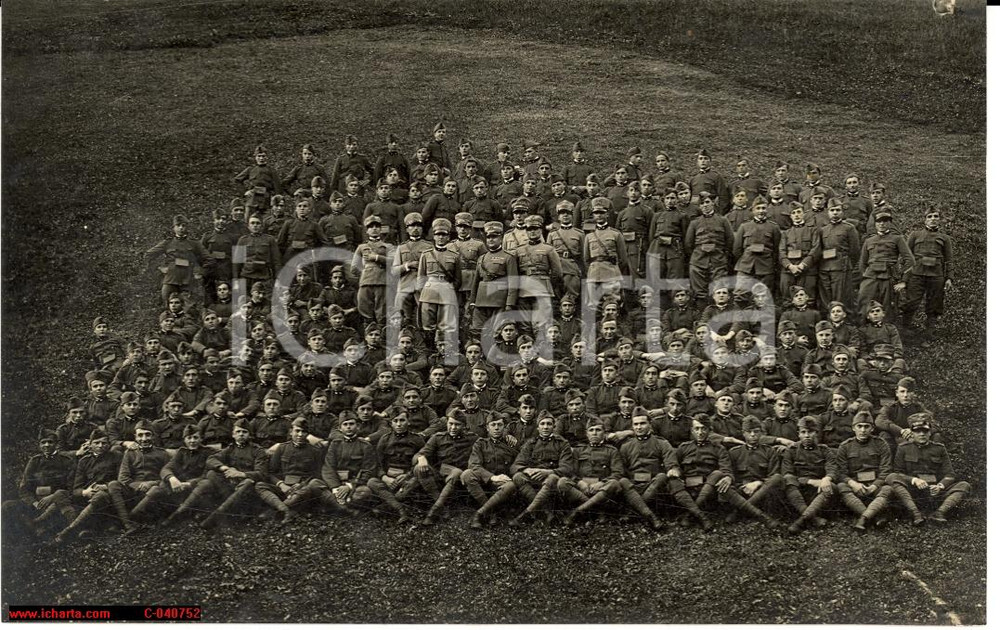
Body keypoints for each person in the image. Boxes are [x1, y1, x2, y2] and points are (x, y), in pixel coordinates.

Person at [889, 412, 970, 525]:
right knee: (892, 477)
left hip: (934, 492)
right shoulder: (903, 448)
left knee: (964, 485)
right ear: (911, 432)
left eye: (925, 431)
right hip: (913, 492)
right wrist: (914, 480)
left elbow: (950, 474)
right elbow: (898, 473)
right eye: (917, 431)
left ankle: (939, 513)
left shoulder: (939, 448)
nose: (922, 434)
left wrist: (940, 486)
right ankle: (916, 513)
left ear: (930, 432)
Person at [255, 418, 340, 523]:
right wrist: (281, 485)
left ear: (307, 434)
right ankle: (286, 509)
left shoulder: (315, 451)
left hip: (303, 489)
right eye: (297, 431)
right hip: (284, 488)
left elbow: (317, 474)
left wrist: (301, 484)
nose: (300, 434)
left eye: (304, 432)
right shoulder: (282, 448)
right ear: (291, 432)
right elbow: (271, 472)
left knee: (311, 487)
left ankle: (276, 510)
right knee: (260, 485)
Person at [3, 429, 76, 539]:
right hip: (36, 503)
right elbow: (24, 488)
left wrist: (53, 497)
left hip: (57, 503)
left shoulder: (66, 461)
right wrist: (34, 502)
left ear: (56, 444)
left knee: (57, 513)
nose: (46, 445)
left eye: (50, 442)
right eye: (43, 442)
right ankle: (21, 537)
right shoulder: (34, 461)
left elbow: (71, 487)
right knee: (7, 505)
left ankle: (40, 530)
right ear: (39, 445)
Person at [414, 411, 477, 525]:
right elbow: (419, 454)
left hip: (460, 479)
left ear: (464, 426)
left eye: (457, 424)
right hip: (440, 477)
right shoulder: (437, 437)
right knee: (419, 468)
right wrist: (421, 458)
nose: (453, 427)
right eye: (450, 423)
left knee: (457, 472)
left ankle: (433, 512)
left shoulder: (472, 438)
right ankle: (442, 507)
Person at [106, 421, 170, 535]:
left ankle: (128, 518)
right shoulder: (130, 453)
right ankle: (128, 525)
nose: (144, 439)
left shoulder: (162, 454)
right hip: (134, 492)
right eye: (140, 435)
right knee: (113, 484)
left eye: (147, 434)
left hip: (152, 493)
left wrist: (151, 483)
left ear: (153, 436)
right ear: (135, 437)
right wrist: (137, 486)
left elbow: (167, 476)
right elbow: (123, 478)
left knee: (157, 490)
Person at [834, 411, 894, 531]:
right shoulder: (845, 446)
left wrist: (875, 486)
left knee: (887, 489)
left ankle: (863, 518)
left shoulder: (881, 444)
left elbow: (886, 469)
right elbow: (841, 472)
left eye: (866, 426)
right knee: (841, 486)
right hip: (856, 486)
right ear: (853, 428)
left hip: (875, 486)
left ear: (872, 428)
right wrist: (853, 484)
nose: (863, 430)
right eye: (859, 426)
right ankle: (874, 516)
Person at [557, 420, 623, 526]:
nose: (594, 433)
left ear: (604, 433)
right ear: (587, 434)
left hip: (601, 489)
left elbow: (618, 472)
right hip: (582, 488)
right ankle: (598, 511)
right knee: (562, 482)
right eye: (591, 430)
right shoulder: (578, 450)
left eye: (598, 430)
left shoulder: (612, 451)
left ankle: (577, 512)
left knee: (614, 483)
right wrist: (579, 482)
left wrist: (601, 483)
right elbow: (571, 471)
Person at [901, 207, 953, 332]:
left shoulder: (945, 238)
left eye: (936, 216)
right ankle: (904, 330)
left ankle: (930, 332)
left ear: (940, 219)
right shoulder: (915, 235)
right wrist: (904, 278)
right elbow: (907, 257)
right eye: (929, 216)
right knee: (911, 302)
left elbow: (949, 260)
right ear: (924, 220)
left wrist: (949, 278)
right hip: (917, 274)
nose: (933, 219)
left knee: (934, 304)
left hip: (936, 276)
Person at [367, 413, 426, 524]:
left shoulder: (417, 439)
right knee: (371, 482)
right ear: (391, 423)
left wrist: (408, 475)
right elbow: (377, 462)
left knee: (416, 481)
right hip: (389, 480)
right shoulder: (384, 439)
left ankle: (387, 506)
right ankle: (401, 509)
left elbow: (423, 461)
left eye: (402, 420)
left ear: (408, 422)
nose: (399, 424)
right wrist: (384, 477)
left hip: (407, 479)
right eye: (395, 421)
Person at [782, 416, 836, 534]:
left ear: (816, 433)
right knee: (787, 479)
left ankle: (801, 520)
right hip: (797, 491)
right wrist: (809, 481)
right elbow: (787, 473)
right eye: (803, 432)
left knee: (831, 486)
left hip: (817, 491)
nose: (807, 435)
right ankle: (813, 518)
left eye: (810, 432)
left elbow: (831, 467)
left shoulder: (824, 450)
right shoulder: (791, 450)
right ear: (798, 434)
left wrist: (827, 478)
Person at [464, 415, 520, 528]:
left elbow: (518, 463)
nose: (496, 428)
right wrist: (492, 477)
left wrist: (508, 476)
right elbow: (474, 464)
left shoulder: (511, 444)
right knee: (467, 474)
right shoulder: (480, 444)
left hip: (503, 483)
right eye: (493, 425)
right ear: (487, 428)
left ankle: (479, 513)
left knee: (510, 486)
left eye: (499, 425)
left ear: (504, 427)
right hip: (485, 482)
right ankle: (493, 512)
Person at [857, 211, 914, 321]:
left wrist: (903, 281)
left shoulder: (897, 239)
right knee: (863, 304)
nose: (881, 224)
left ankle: (888, 334)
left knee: (888, 309)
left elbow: (910, 261)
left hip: (888, 277)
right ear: (875, 224)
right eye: (879, 221)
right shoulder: (869, 241)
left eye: (885, 221)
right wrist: (866, 276)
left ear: (890, 223)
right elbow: (862, 263)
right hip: (870, 277)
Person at [726, 417, 784, 523]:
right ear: (743, 433)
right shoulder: (734, 452)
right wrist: (742, 486)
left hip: (762, 489)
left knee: (777, 478)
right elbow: (731, 474)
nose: (753, 435)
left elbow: (773, 474)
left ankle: (739, 512)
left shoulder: (769, 451)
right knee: (724, 485)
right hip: (741, 490)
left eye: (756, 431)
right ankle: (760, 515)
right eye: (749, 432)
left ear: (761, 433)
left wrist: (758, 482)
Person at [146, 214, 212, 305]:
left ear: (187, 228)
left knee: (189, 308)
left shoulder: (194, 244)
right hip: (170, 280)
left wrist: (201, 272)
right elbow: (148, 255)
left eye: (184, 225)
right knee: (167, 306)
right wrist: (159, 268)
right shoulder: (167, 243)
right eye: (178, 225)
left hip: (188, 282)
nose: (181, 228)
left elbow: (209, 259)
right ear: (174, 228)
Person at [320, 412, 378, 513]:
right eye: (345, 424)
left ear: (358, 426)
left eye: (351, 424)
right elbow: (328, 467)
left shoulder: (365, 446)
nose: (348, 427)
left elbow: (368, 470)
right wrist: (335, 488)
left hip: (355, 484)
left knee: (365, 492)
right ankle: (345, 506)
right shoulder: (335, 444)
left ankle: (336, 504)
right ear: (340, 428)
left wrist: (349, 486)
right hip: (336, 483)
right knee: (315, 485)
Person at [685, 193, 734, 304]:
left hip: (718, 260)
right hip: (698, 261)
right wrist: (696, 257)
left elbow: (730, 240)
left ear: (713, 203)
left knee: (719, 290)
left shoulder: (723, 221)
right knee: (699, 292)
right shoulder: (694, 223)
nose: (705, 205)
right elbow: (688, 244)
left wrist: (723, 255)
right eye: (702, 203)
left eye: (707, 202)